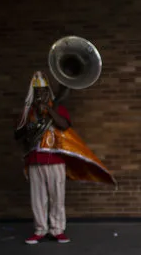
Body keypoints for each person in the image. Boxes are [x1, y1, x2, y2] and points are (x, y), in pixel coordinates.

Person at [15, 71, 117, 245]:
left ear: (49, 92)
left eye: (44, 91)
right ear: (33, 93)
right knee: (37, 199)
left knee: (57, 197)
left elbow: (64, 125)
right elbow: (17, 135)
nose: (41, 95)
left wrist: (49, 111)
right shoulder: (28, 111)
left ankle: (57, 230)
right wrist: (31, 124)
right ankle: (40, 230)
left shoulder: (58, 108)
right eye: (37, 92)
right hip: (35, 161)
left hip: (55, 161)